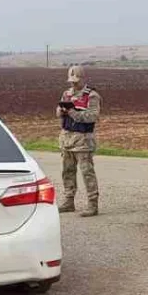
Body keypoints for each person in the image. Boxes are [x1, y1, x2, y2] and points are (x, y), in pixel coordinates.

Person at [57, 65, 101, 217]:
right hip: (67, 139)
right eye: (71, 81)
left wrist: (73, 113)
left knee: (87, 172)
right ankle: (69, 201)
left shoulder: (92, 95)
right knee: (67, 171)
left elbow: (93, 116)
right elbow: (58, 113)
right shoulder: (66, 93)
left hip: (83, 141)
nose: (73, 84)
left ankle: (92, 204)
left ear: (83, 79)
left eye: (76, 81)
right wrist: (62, 111)